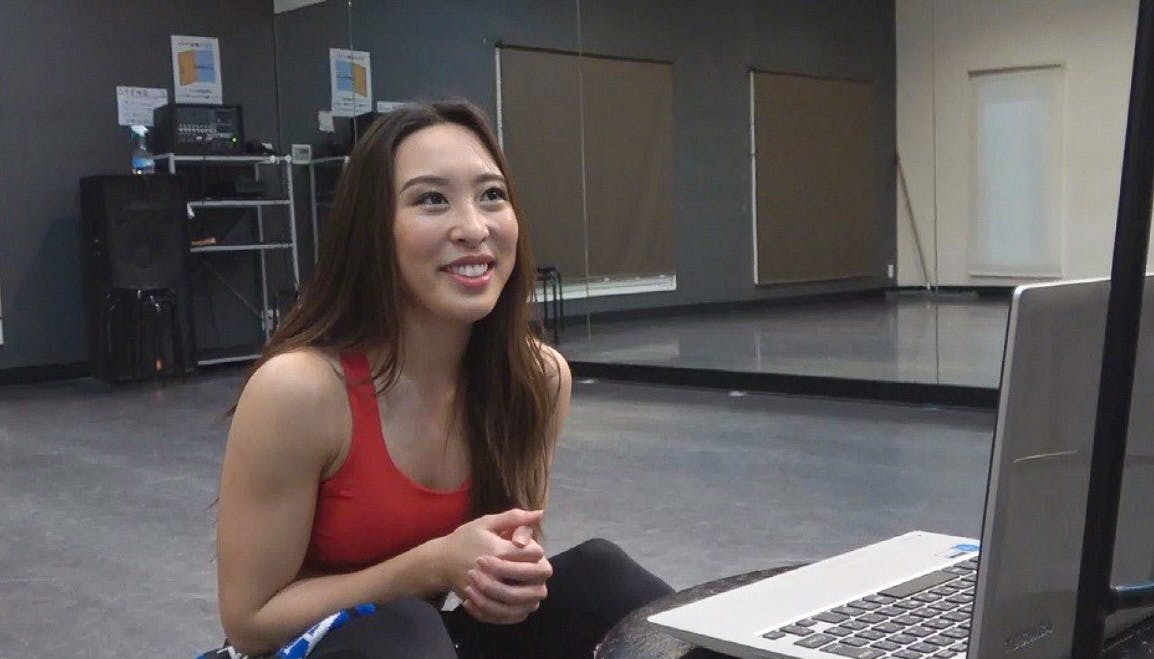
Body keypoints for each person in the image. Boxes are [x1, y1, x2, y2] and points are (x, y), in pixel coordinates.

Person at [214, 100, 673, 658]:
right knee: (405, 630)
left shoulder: (537, 379)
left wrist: (507, 573)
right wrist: (430, 566)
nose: (474, 228)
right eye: (432, 199)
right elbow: (251, 622)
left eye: (491, 195)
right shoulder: (301, 390)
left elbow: (502, 567)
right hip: (307, 648)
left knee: (603, 579)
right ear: (373, 231)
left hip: (427, 643)